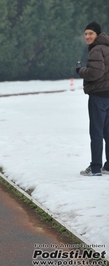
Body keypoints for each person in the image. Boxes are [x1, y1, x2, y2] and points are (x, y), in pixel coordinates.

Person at [77, 21, 109, 176]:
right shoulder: (107, 48)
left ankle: (95, 168)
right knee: (108, 132)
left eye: (90, 33)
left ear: (97, 34)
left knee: (96, 132)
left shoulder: (96, 50)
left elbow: (95, 73)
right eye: (86, 34)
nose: (87, 36)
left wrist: (81, 70)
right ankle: (108, 166)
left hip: (98, 96)